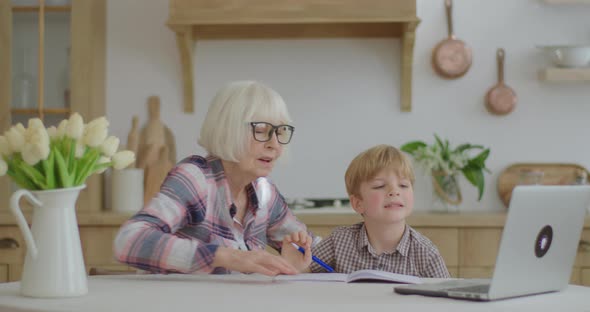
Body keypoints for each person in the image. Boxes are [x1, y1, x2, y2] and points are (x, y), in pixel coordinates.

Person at [114, 81, 313, 276]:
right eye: (261, 130)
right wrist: (228, 257)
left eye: (280, 132)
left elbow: (312, 249)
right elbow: (129, 240)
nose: (275, 144)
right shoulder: (196, 179)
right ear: (228, 130)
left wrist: (303, 263)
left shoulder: (264, 193)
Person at [282, 144, 450, 278]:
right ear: (358, 203)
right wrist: (297, 267)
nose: (394, 191)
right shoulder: (339, 241)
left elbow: (447, 301)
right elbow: (307, 280)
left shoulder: (426, 253)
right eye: (380, 186)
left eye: (404, 185)